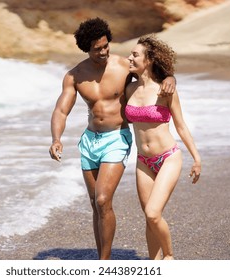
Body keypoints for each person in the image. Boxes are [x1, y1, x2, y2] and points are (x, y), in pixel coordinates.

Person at [49, 18, 176, 260]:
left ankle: (104, 264)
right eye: (98, 48)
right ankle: (102, 260)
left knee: (103, 198)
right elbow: (61, 110)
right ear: (86, 47)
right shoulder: (75, 75)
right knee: (96, 204)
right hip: (89, 142)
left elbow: (156, 73)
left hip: (117, 137)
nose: (104, 51)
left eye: (106, 45)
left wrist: (171, 78)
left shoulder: (122, 66)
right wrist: (56, 138)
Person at [125, 34, 201, 260]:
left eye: (135, 55)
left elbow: (181, 126)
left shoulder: (165, 90)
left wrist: (196, 158)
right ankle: (154, 264)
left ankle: (169, 257)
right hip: (142, 161)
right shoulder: (129, 89)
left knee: (153, 212)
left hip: (168, 157)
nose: (129, 58)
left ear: (149, 60)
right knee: (149, 219)